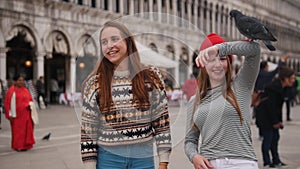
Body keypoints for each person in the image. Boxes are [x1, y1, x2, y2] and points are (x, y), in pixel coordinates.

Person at [80, 21, 172, 169]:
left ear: (128, 42)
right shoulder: (94, 83)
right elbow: (88, 132)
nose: (109, 45)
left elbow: (162, 123)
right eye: (104, 42)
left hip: (143, 156)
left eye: (115, 39)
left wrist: (163, 161)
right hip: (108, 159)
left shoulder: (151, 78)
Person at [184, 33, 260, 169]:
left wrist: (218, 49)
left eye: (223, 59)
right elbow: (190, 141)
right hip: (209, 164)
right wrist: (194, 156)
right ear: (203, 64)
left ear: (229, 63)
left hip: (241, 162)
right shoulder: (194, 101)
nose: (217, 64)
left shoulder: (241, 86)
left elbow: (254, 50)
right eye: (211, 59)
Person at [256, 66, 295, 168]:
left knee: (275, 139)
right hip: (265, 117)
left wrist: (280, 121)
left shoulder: (282, 88)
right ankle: (267, 162)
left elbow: (279, 107)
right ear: (285, 78)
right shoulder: (273, 88)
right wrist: (275, 122)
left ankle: (276, 160)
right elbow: (270, 107)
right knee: (268, 140)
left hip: (272, 117)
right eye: (292, 78)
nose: (293, 80)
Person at [4, 75, 35, 151]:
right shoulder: (11, 91)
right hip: (16, 115)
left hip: (26, 113)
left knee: (26, 131)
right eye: (19, 80)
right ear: (15, 81)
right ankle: (18, 146)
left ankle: (26, 145)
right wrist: (9, 114)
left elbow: (30, 99)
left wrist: (30, 105)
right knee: (17, 132)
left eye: (22, 80)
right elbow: (7, 103)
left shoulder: (25, 90)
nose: (21, 82)